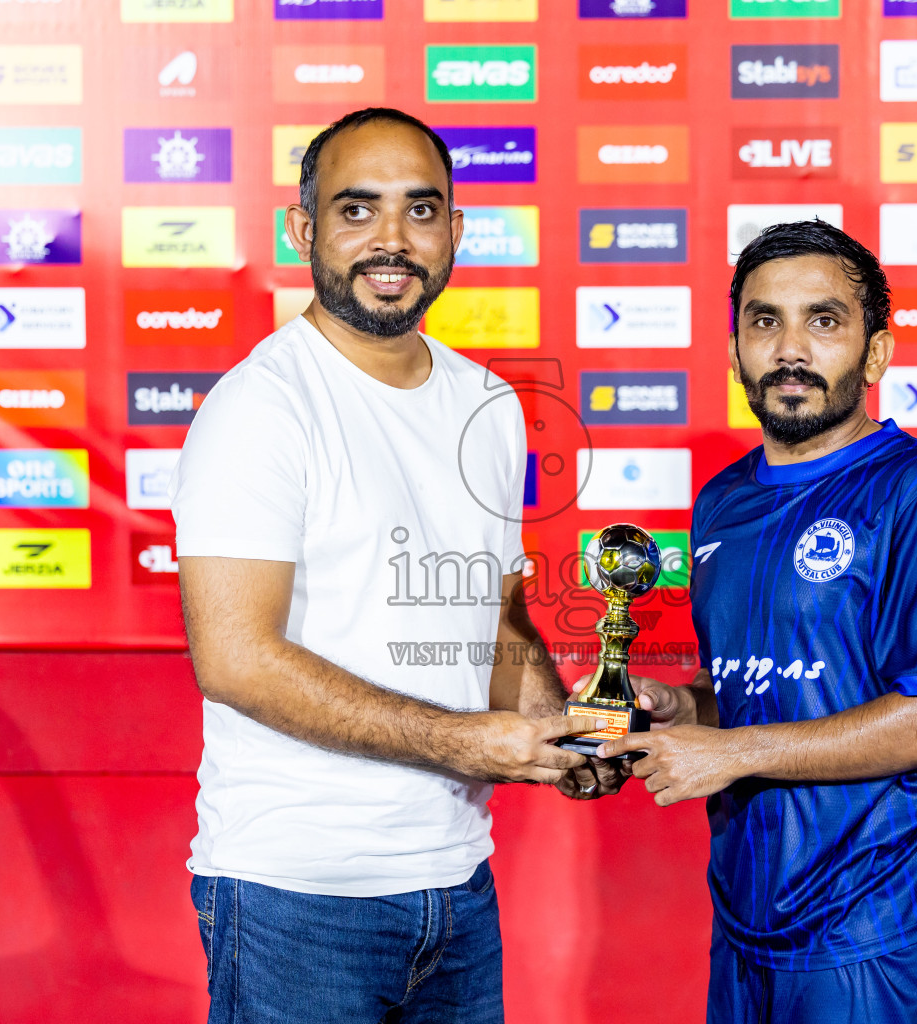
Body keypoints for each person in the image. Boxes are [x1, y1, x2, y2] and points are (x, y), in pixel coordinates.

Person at [172, 107, 614, 1024]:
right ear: (305, 232)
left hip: (456, 884)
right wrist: (464, 742)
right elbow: (236, 660)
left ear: (455, 231)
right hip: (296, 896)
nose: (391, 239)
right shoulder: (261, 409)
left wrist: (559, 729)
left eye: (420, 211)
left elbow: (497, 620)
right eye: (357, 209)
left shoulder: (488, 403)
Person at [597, 220, 917, 1024]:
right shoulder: (722, 501)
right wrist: (688, 711)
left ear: (878, 353)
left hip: (887, 933)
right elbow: (760, 690)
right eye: (765, 321)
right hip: (747, 929)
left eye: (823, 321)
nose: (791, 348)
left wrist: (731, 751)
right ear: (733, 350)